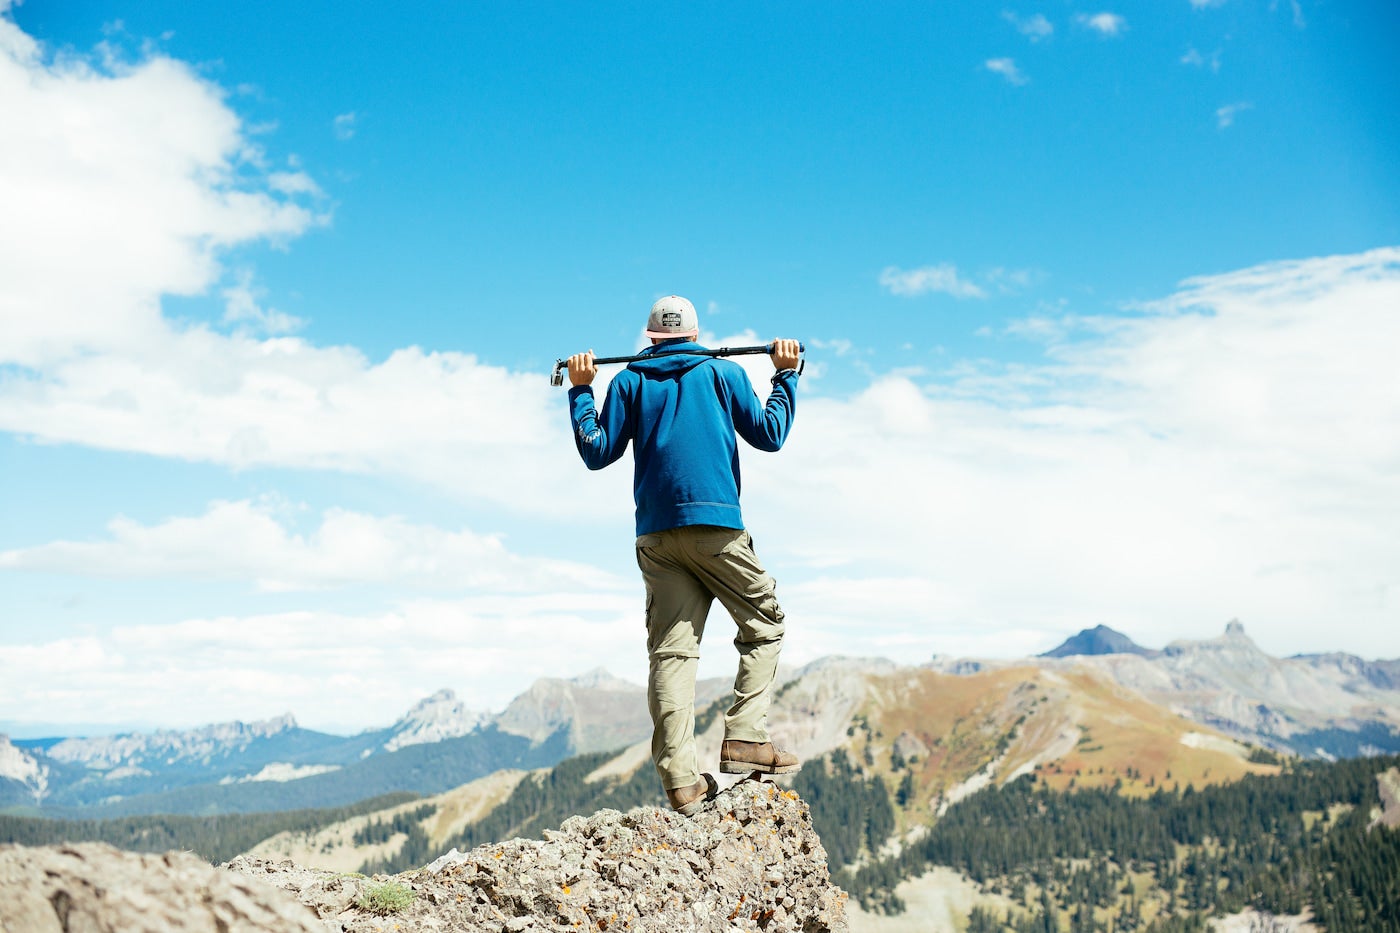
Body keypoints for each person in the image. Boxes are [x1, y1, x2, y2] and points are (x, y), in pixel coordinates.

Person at [564, 295, 803, 816]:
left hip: (656, 534)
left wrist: (582, 390)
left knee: (673, 653)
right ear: (697, 334)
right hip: (717, 526)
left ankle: (681, 781)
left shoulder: (628, 381)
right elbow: (770, 434)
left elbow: (596, 450)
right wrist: (785, 375)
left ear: (650, 338)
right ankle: (744, 737)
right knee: (765, 625)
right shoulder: (724, 373)